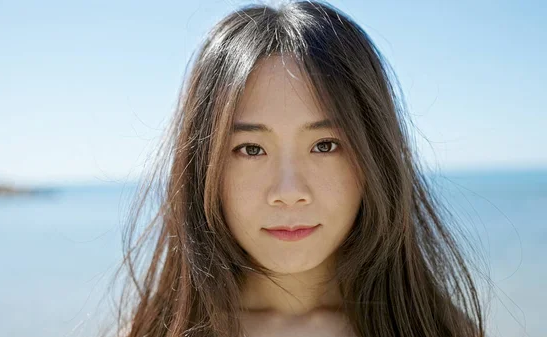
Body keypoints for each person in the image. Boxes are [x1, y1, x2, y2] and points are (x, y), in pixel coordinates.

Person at [104, 1, 486, 336]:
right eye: (251, 149)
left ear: (376, 157)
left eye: (325, 146)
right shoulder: (151, 332)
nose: (288, 191)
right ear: (205, 168)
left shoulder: (439, 329)